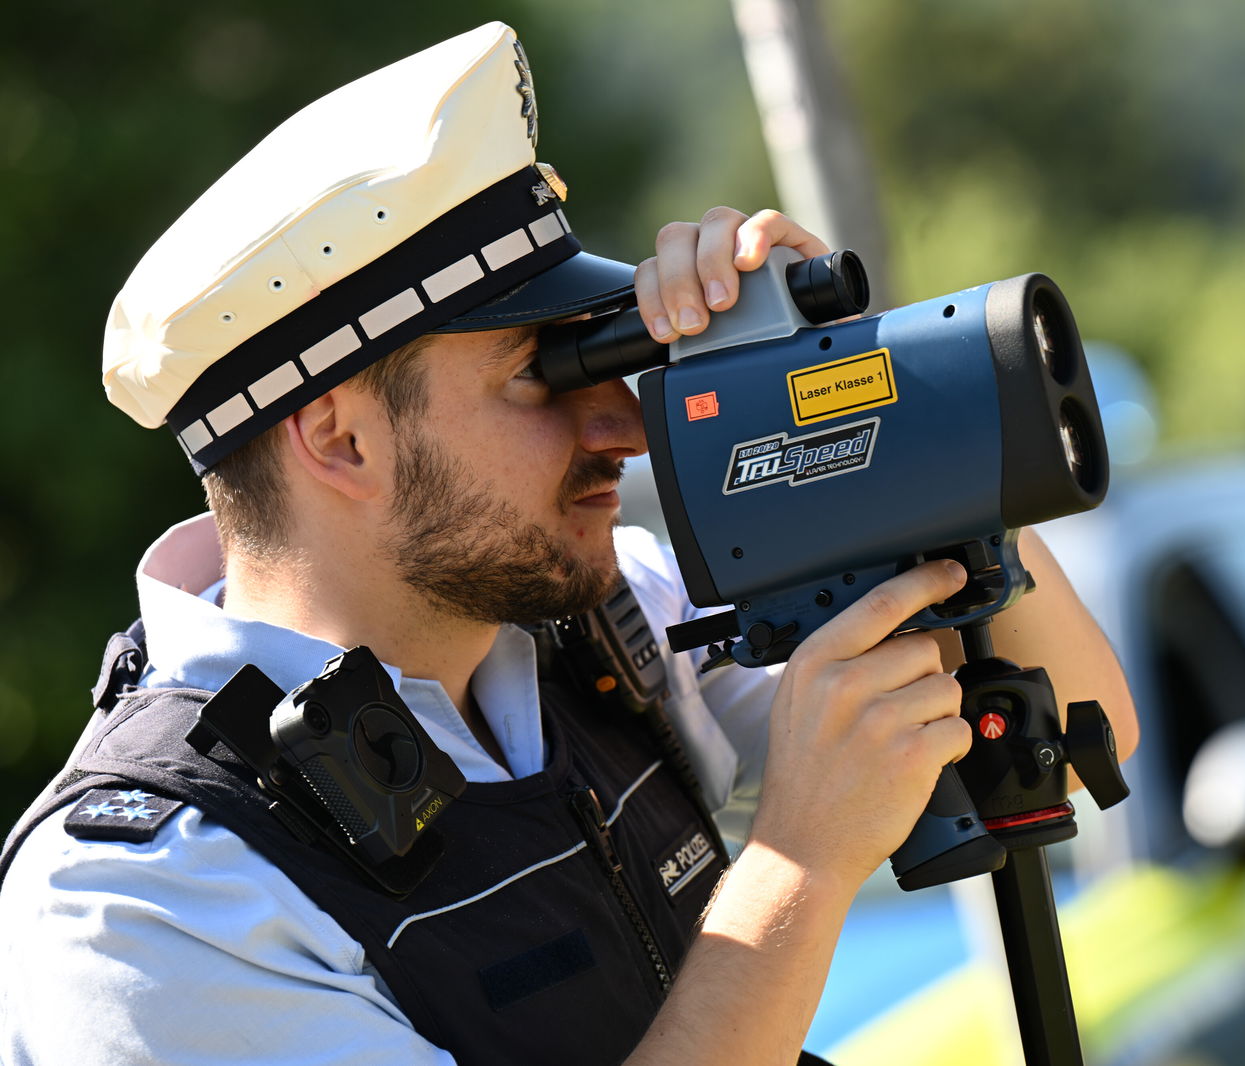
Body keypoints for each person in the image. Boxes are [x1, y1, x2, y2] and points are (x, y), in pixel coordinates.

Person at [0, 22, 1136, 1066]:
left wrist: (868, 414)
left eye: (598, 358)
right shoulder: (144, 900)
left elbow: (1085, 727)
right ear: (340, 436)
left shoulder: (599, 632)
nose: (622, 424)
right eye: (540, 376)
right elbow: (810, 855)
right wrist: (797, 866)